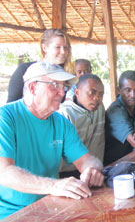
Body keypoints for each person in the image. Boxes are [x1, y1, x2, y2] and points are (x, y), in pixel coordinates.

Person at [0, 62, 104, 219]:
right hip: (12, 212)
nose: (62, 93)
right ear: (32, 88)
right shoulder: (5, 118)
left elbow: (86, 160)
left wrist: (92, 169)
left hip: (52, 206)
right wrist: (55, 185)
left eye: (63, 87)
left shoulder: (61, 123)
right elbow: (4, 172)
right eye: (55, 85)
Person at [7, 28, 74, 103]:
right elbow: (11, 104)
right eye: (57, 47)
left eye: (65, 47)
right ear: (44, 47)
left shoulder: (65, 76)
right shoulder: (24, 70)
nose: (63, 52)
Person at [58, 74, 105, 178]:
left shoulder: (99, 108)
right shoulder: (65, 114)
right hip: (67, 174)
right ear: (77, 92)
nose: (96, 98)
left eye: (101, 94)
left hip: (93, 171)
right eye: (92, 92)